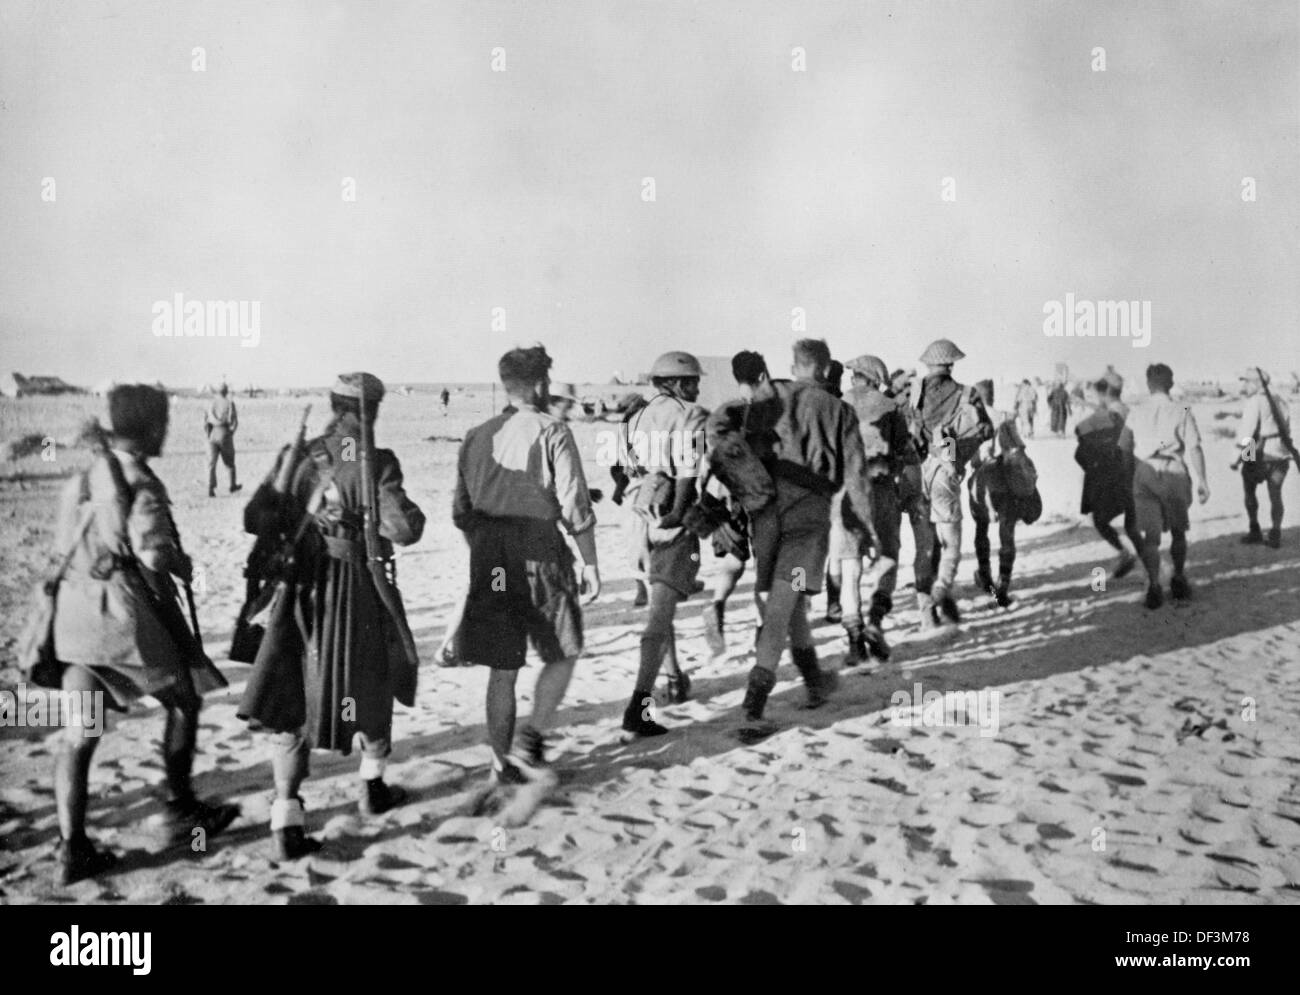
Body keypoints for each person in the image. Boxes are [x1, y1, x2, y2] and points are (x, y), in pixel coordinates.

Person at [36, 384, 237, 885]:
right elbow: (152, 555)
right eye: (163, 422)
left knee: (79, 735)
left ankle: (72, 848)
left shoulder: (81, 479)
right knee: (186, 700)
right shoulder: (140, 482)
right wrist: (181, 562)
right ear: (151, 427)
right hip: (122, 619)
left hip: (71, 619)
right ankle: (181, 810)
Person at [239, 373, 426, 859]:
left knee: (291, 699)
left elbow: (255, 519)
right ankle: (372, 786)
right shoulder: (377, 463)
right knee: (376, 682)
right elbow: (404, 529)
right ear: (373, 411)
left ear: (333, 404)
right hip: (361, 593)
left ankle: (287, 818)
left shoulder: (300, 455)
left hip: (301, 593)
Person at [450, 347, 600, 782]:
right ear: (539, 384)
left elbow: (461, 511)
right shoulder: (551, 429)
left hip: (489, 554)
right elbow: (575, 503)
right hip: (539, 550)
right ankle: (531, 739)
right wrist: (590, 564)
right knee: (563, 650)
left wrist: (484, 552)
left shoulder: (476, 435)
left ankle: (500, 766)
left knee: (503, 666)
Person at [707, 339, 873, 725]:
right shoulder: (840, 410)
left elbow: (718, 422)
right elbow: (857, 479)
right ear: (825, 366)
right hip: (807, 522)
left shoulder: (769, 396)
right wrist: (867, 531)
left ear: (795, 365)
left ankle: (814, 681)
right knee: (784, 602)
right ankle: (754, 702)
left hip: (765, 516)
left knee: (789, 597)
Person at [618, 351, 708, 736]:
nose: (697, 387)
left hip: (638, 511)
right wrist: (679, 511)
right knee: (659, 616)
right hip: (669, 510)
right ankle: (639, 705)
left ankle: (673, 677)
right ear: (675, 382)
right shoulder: (690, 414)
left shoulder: (636, 415)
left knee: (660, 603)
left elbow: (623, 469)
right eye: (692, 381)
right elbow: (687, 472)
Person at [831, 354, 915, 662]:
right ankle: (876, 620)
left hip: (845, 494)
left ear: (855, 376)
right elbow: (906, 453)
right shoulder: (891, 408)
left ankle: (854, 639)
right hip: (881, 492)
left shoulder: (837, 406)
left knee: (850, 564)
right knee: (889, 555)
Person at [914, 339, 993, 627]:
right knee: (951, 545)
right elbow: (986, 430)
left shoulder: (912, 392)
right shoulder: (967, 394)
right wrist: (960, 444)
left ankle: (927, 613)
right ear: (951, 363)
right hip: (945, 470)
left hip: (915, 472)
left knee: (925, 546)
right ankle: (939, 591)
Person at [1119, 364, 1210, 609]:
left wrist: (1130, 478)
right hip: (1174, 474)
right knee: (1179, 531)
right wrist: (1202, 480)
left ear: (1149, 385)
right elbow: (1195, 447)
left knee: (1151, 537)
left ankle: (1154, 586)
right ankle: (1179, 578)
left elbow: (1125, 448)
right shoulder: (1182, 409)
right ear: (1171, 384)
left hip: (1145, 472)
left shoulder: (1136, 411)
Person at [700, 350, 767, 658]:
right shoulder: (766, 413)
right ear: (763, 376)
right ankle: (761, 630)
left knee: (734, 560)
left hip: (725, 497)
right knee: (765, 567)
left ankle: (716, 604)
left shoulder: (723, 412)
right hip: (759, 499)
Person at [968, 379, 1030, 606]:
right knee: (1007, 532)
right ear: (992, 395)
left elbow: (956, 451)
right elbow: (1019, 449)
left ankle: (985, 576)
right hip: (1006, 480)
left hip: (981, 482)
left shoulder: (970, 420)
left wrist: (953, 465)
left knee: (981, 527)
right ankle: (1002, 585)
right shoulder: (1005, 418)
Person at [1074, 377, 1142, 578]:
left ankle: (1126, 555)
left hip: (1119, 472)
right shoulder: (1120, 409)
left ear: (1104, 394)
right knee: (1132, 527)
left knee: (1101, 520)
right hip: (1134, 470)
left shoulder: (1112, 414)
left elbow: (1081, 429)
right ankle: (1154, 571)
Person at [1237, 367, 1291, 548]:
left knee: (1249, 488)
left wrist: (1240, 459)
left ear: (1255, 383)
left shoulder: (1255, 402)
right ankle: (1275, 533)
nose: (1244, 385)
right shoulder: (1280, 400)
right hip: (1281, 454)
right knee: (1276, 495)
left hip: (1259, 454)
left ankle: (1255, 529)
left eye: (1246, 381)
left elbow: (1248, 434)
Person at [204, 383, 241, 497]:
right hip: (224, 432)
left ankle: (210, 488)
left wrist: (208, 435)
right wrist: (231, 433)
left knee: (211, 463)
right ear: (226, 391)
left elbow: (206, 422)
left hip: (212, 433)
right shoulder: (230, 403)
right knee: (230, 462)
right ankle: (232, 485)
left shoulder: (211, 403)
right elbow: (234, 422)